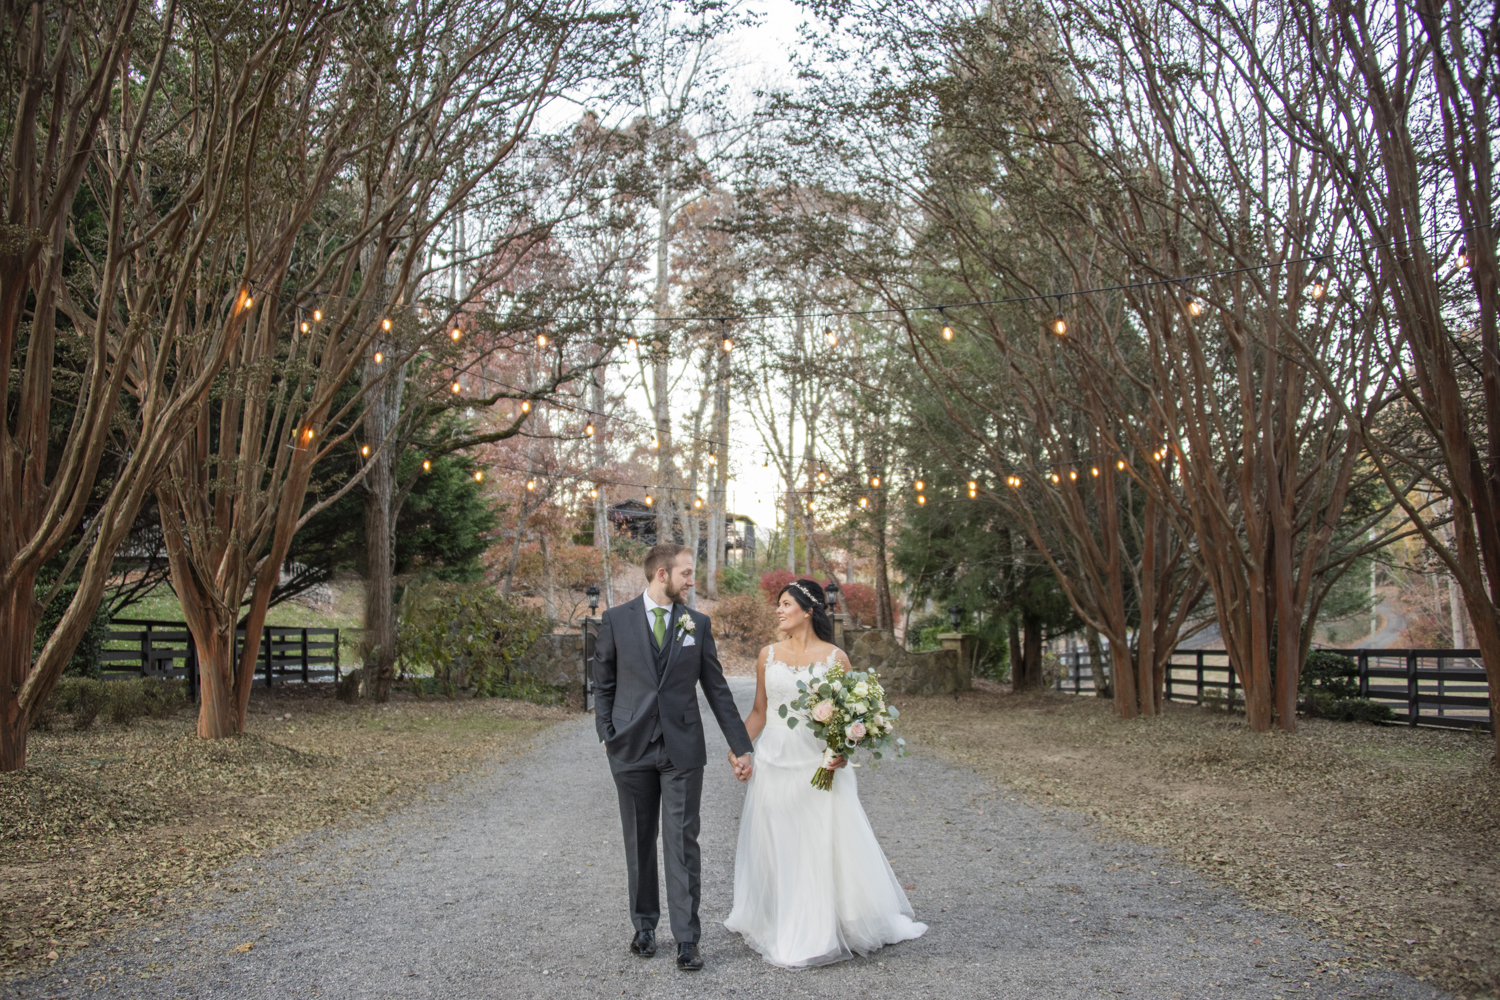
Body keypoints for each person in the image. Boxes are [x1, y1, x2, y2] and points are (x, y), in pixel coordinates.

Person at [724, 578, 927, 968]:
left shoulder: (836, 659)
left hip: (819, 765)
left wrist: (842, 751)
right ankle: (782, 917)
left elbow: (850, 717)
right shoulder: (767, 655)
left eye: (785, 604)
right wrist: (737, 750)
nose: (778, 611)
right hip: (775, 763)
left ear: (808, 610)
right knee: (779, 843)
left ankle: (818, 927)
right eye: (778, 604)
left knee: (818, 843)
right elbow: (760, 714)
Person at [591, 542, 754, 972]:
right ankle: (644, 926)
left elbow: (717, 690)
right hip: (630, 747)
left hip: (682, 749)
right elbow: (602, 684)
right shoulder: (615, 621)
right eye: (686, 573)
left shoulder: (696, 624)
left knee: (683, 842)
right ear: (662, 574)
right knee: (639, 839)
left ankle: (687, 939)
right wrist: (607, 733)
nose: (691, 580)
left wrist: (741, 745)